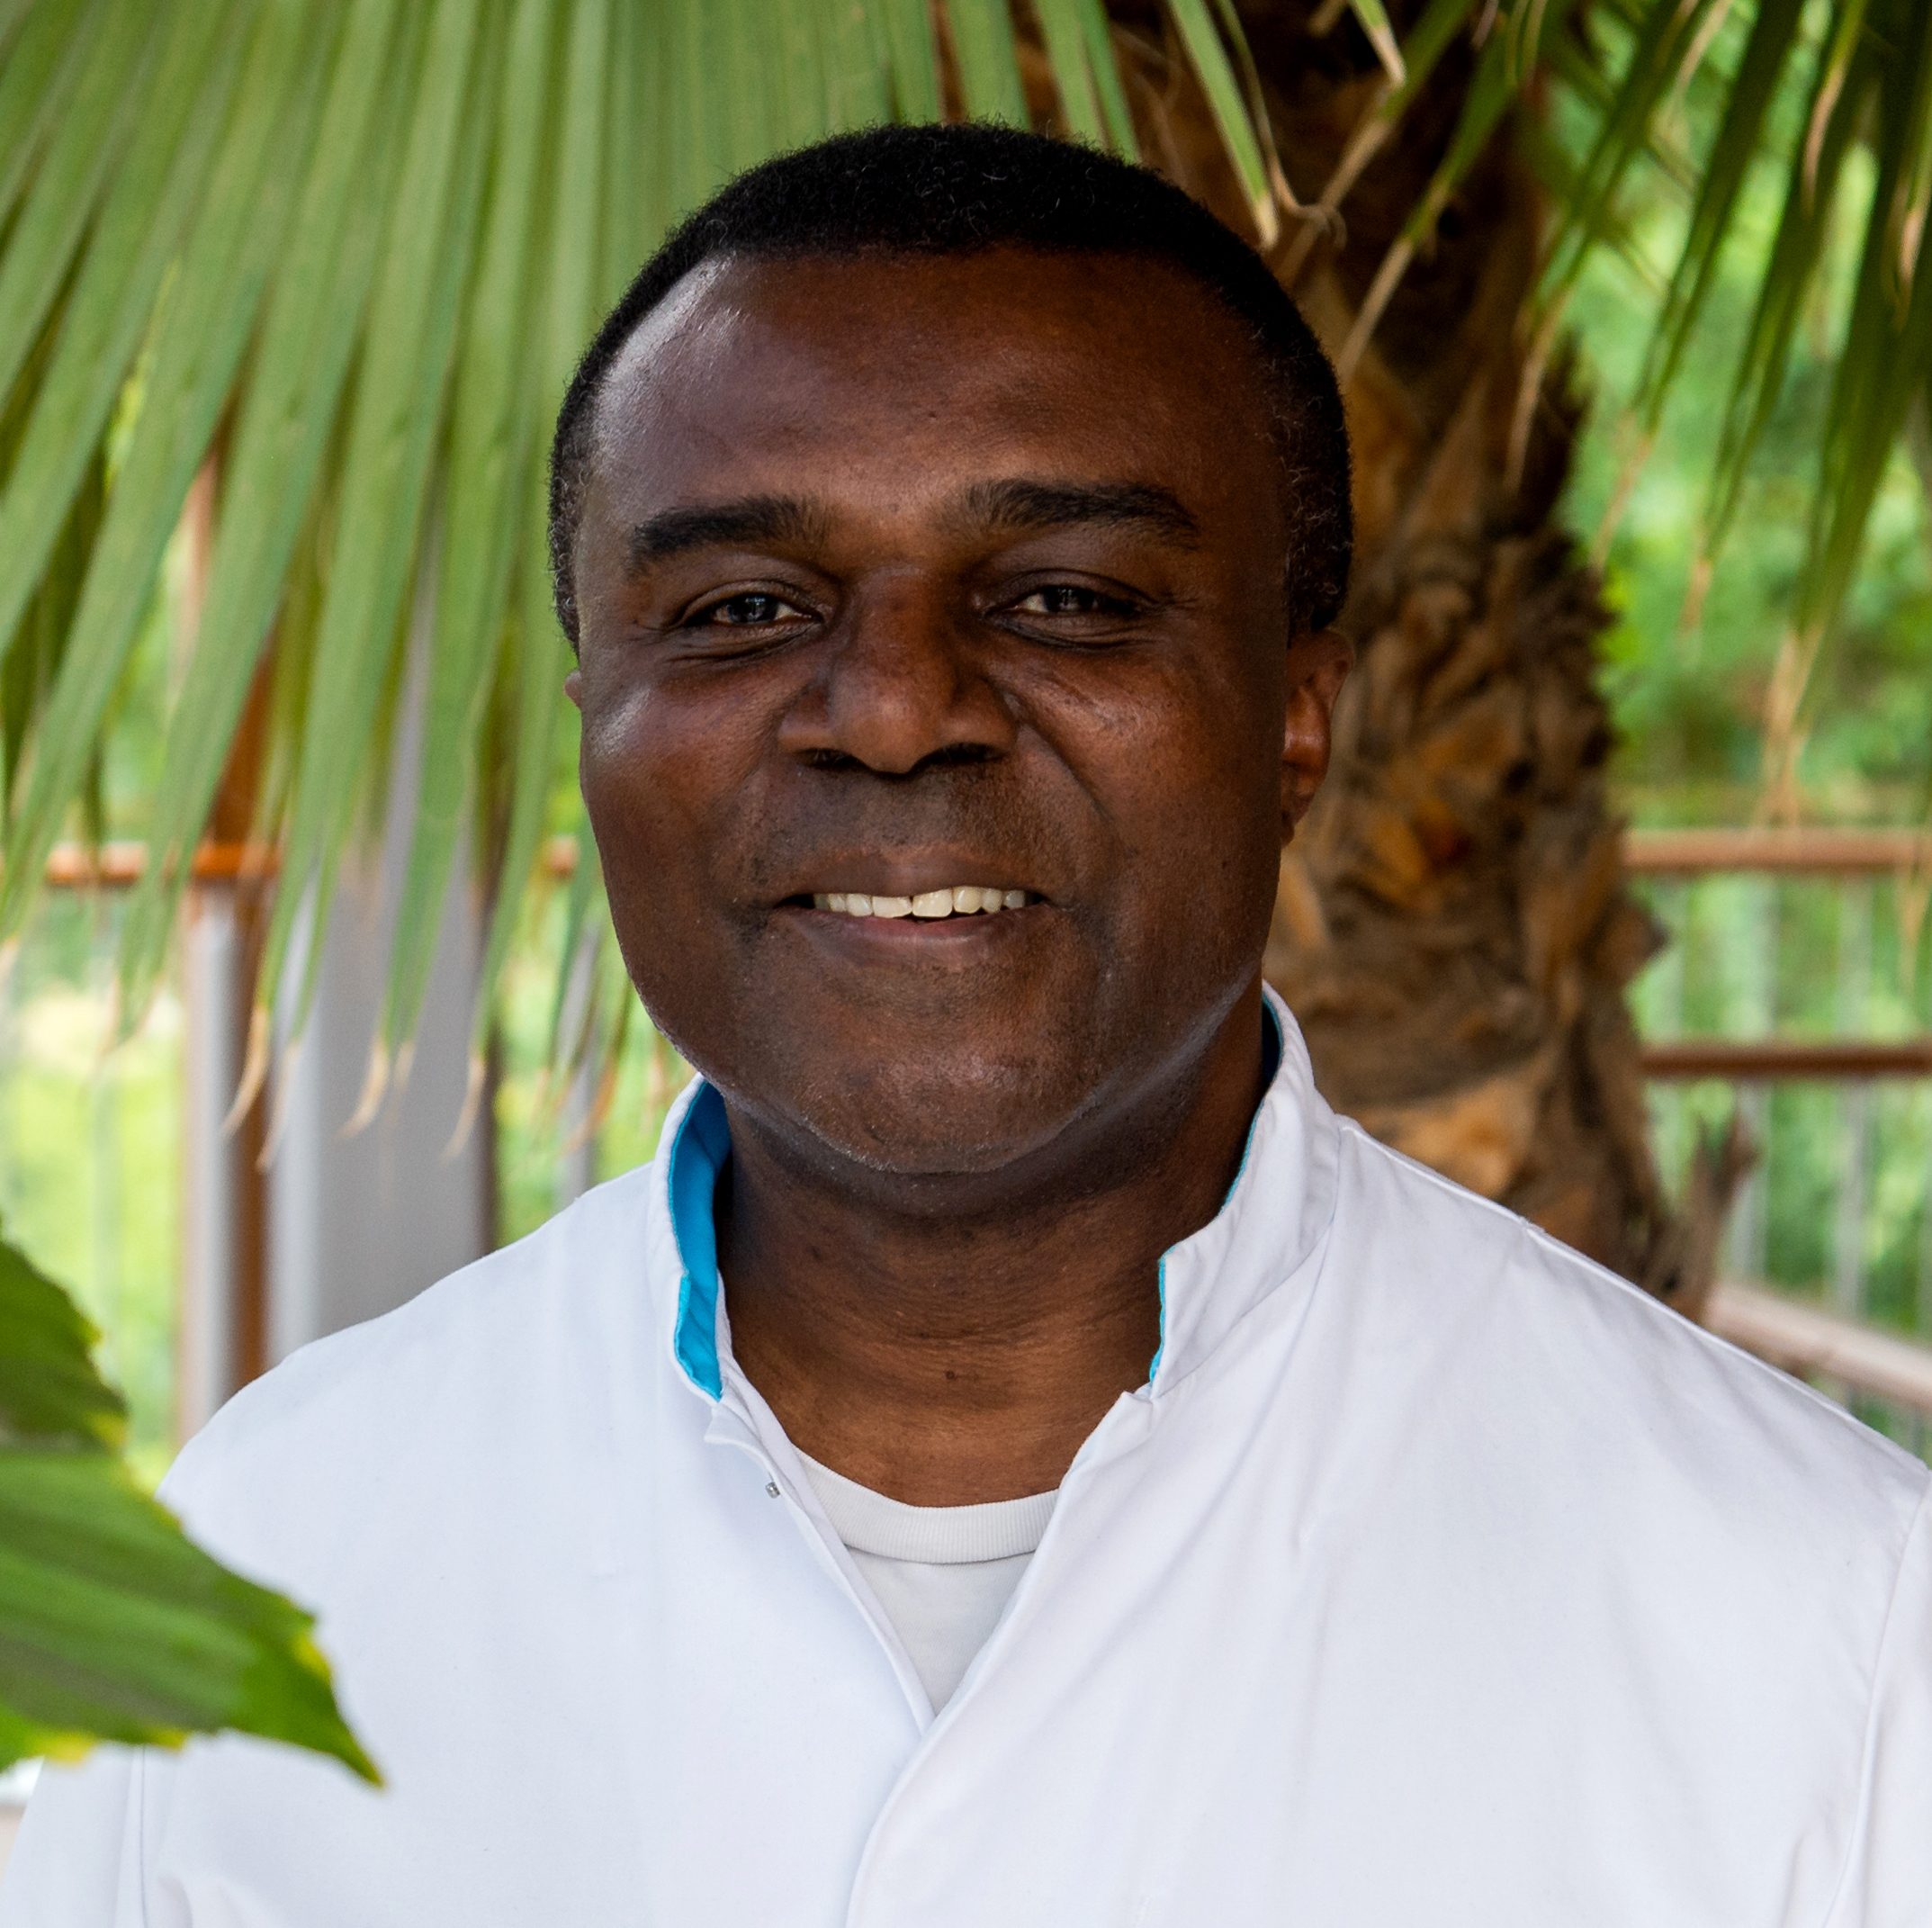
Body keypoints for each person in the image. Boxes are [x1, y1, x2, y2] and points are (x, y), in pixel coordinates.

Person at [5, 123, 1927, 1927]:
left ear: (1294, 720)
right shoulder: (278, 1548)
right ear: (593, 715)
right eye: (744, 610)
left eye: (1067, 599)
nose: (894, 708)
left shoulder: (1822, 1625)